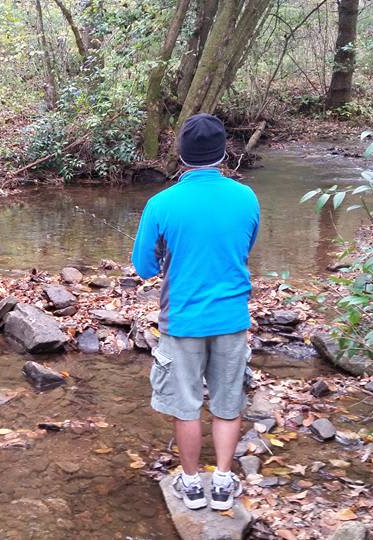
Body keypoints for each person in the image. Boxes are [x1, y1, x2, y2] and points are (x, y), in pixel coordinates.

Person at [131, 113, 260, 511]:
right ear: (223, 153)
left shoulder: (160, 204)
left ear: (181, 156)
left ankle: (190, 483)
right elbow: (245, 246)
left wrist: (166, 256)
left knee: (185, 407)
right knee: (226, 404)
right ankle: (222, 483)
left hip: (182, 321)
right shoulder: (247, 198)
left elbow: (144, 267)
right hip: (232, 319)